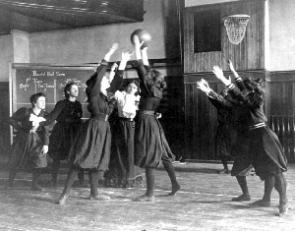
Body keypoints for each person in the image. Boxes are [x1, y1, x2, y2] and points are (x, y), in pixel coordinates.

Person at [204, 63, 288, 216]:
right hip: (250, 139)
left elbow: (241, 93)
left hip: (263, 136)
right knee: (262, 171)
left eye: (244, 89)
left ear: (251, 91)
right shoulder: (242, 102)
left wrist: (225, 79)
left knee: (274, 171)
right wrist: (209, 91)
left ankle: (283, 202)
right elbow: (226, 103)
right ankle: (265, 199)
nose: (242, 91)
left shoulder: (256, 99)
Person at [57, 44, 133, 205]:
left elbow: (118, 80)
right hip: (93, 129)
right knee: (81, 160)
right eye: (105, 81)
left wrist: (124, 60)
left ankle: (94, 193)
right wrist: (109, 53)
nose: (107, 81)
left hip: (104, 130)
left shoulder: (109, 95)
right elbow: (99, 75)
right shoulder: (93, 94)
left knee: (97, 162)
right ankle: (64, 194)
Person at [132, 35, 180, 201]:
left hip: (147, 123)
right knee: (163, 154)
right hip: (153, 121)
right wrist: (145, 51)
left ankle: (150, 194)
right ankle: (175, 184)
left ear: (151, 80)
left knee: (148, 155)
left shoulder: (149, 88)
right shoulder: (156, 89)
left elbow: (141, 68)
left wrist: (138, 47)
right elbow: (146, 69)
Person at [7, 92, 49, 191]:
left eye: (44, 101)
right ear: (34, 103)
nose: (44, 103)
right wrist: (22, 128)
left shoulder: (45, 114)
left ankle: (34, 184)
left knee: (39, 161)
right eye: (41, 101)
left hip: (37, 140)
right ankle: (10, 182)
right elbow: (11, 120)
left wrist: (46, 144)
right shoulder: (25, 112)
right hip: (23, 139)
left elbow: (46, 131)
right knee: (16, 160)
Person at [44, 82, 84, 187]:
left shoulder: (78, 104)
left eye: (77, 88)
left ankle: (81, 181)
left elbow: (78, 119)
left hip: (74, 133)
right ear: (67, 91)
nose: (77, 90)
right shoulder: (61, 103)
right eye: (74, 89)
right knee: (57, 157)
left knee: (77, 156)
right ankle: (54, 181)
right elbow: (53, 117)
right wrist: (41, 121)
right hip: (61, 133)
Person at [105, 79, 143, 188]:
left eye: (134, 87)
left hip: (131, 126)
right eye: (130, 86)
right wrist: (114, 72)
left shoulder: (138, 98)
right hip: (120, 125)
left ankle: (129, 178)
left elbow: (141, 110)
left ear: (137, 89)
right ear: (126, 87)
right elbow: (111, 88)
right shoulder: (120, 95)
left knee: (130, 151)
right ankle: (119, 177)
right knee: (119, 150)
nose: (132, 89)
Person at [207, 86, 233, 174]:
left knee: (234, 149)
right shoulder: (220, 104)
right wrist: (207, 91)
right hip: (222, 128)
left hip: (232, 129)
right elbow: (214, 100)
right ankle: (226, 168)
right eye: (223, 93)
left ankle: (239, 168)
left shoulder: (231, 103)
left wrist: (214, 93)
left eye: (225, 93)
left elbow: (220, 100)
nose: (223, 94)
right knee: (221, 149)